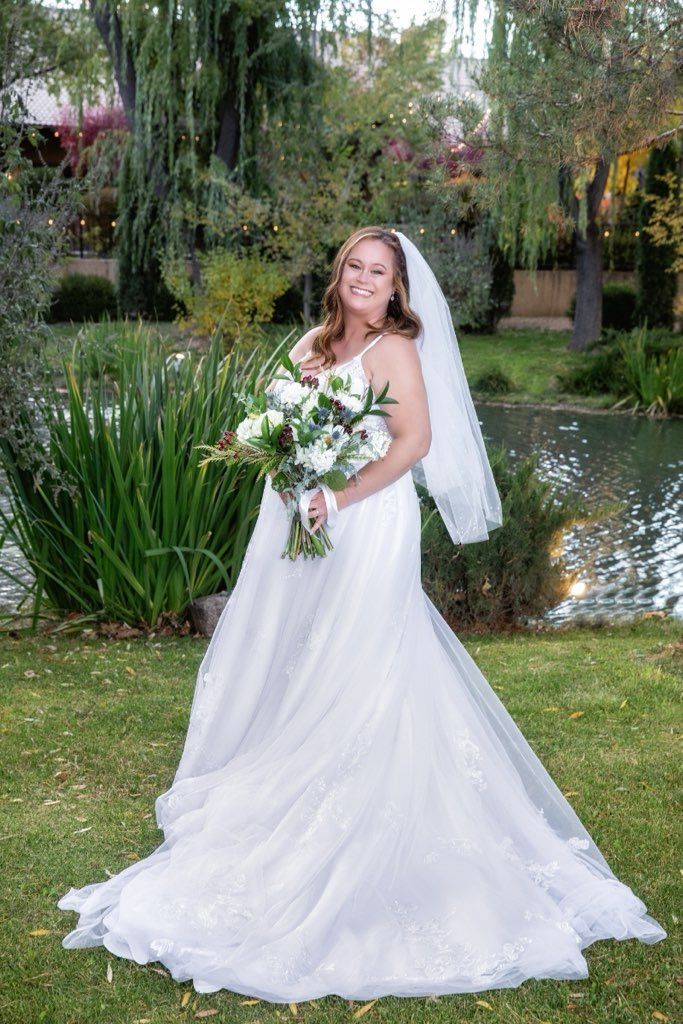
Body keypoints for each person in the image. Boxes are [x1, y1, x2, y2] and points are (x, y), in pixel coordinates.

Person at [58, 227, 666, 1001]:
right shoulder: (312, 343)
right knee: (291, 654)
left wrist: (333, 495)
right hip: (292, 519)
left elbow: (412, 443)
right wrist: (281, 463)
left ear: (395, 288)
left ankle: (356, 812)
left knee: (358, 658)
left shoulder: (394, 349)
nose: (363, 279)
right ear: (338, 272)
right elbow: (279, 425)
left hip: (363, 521)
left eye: (378, 272)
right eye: (354, 265)